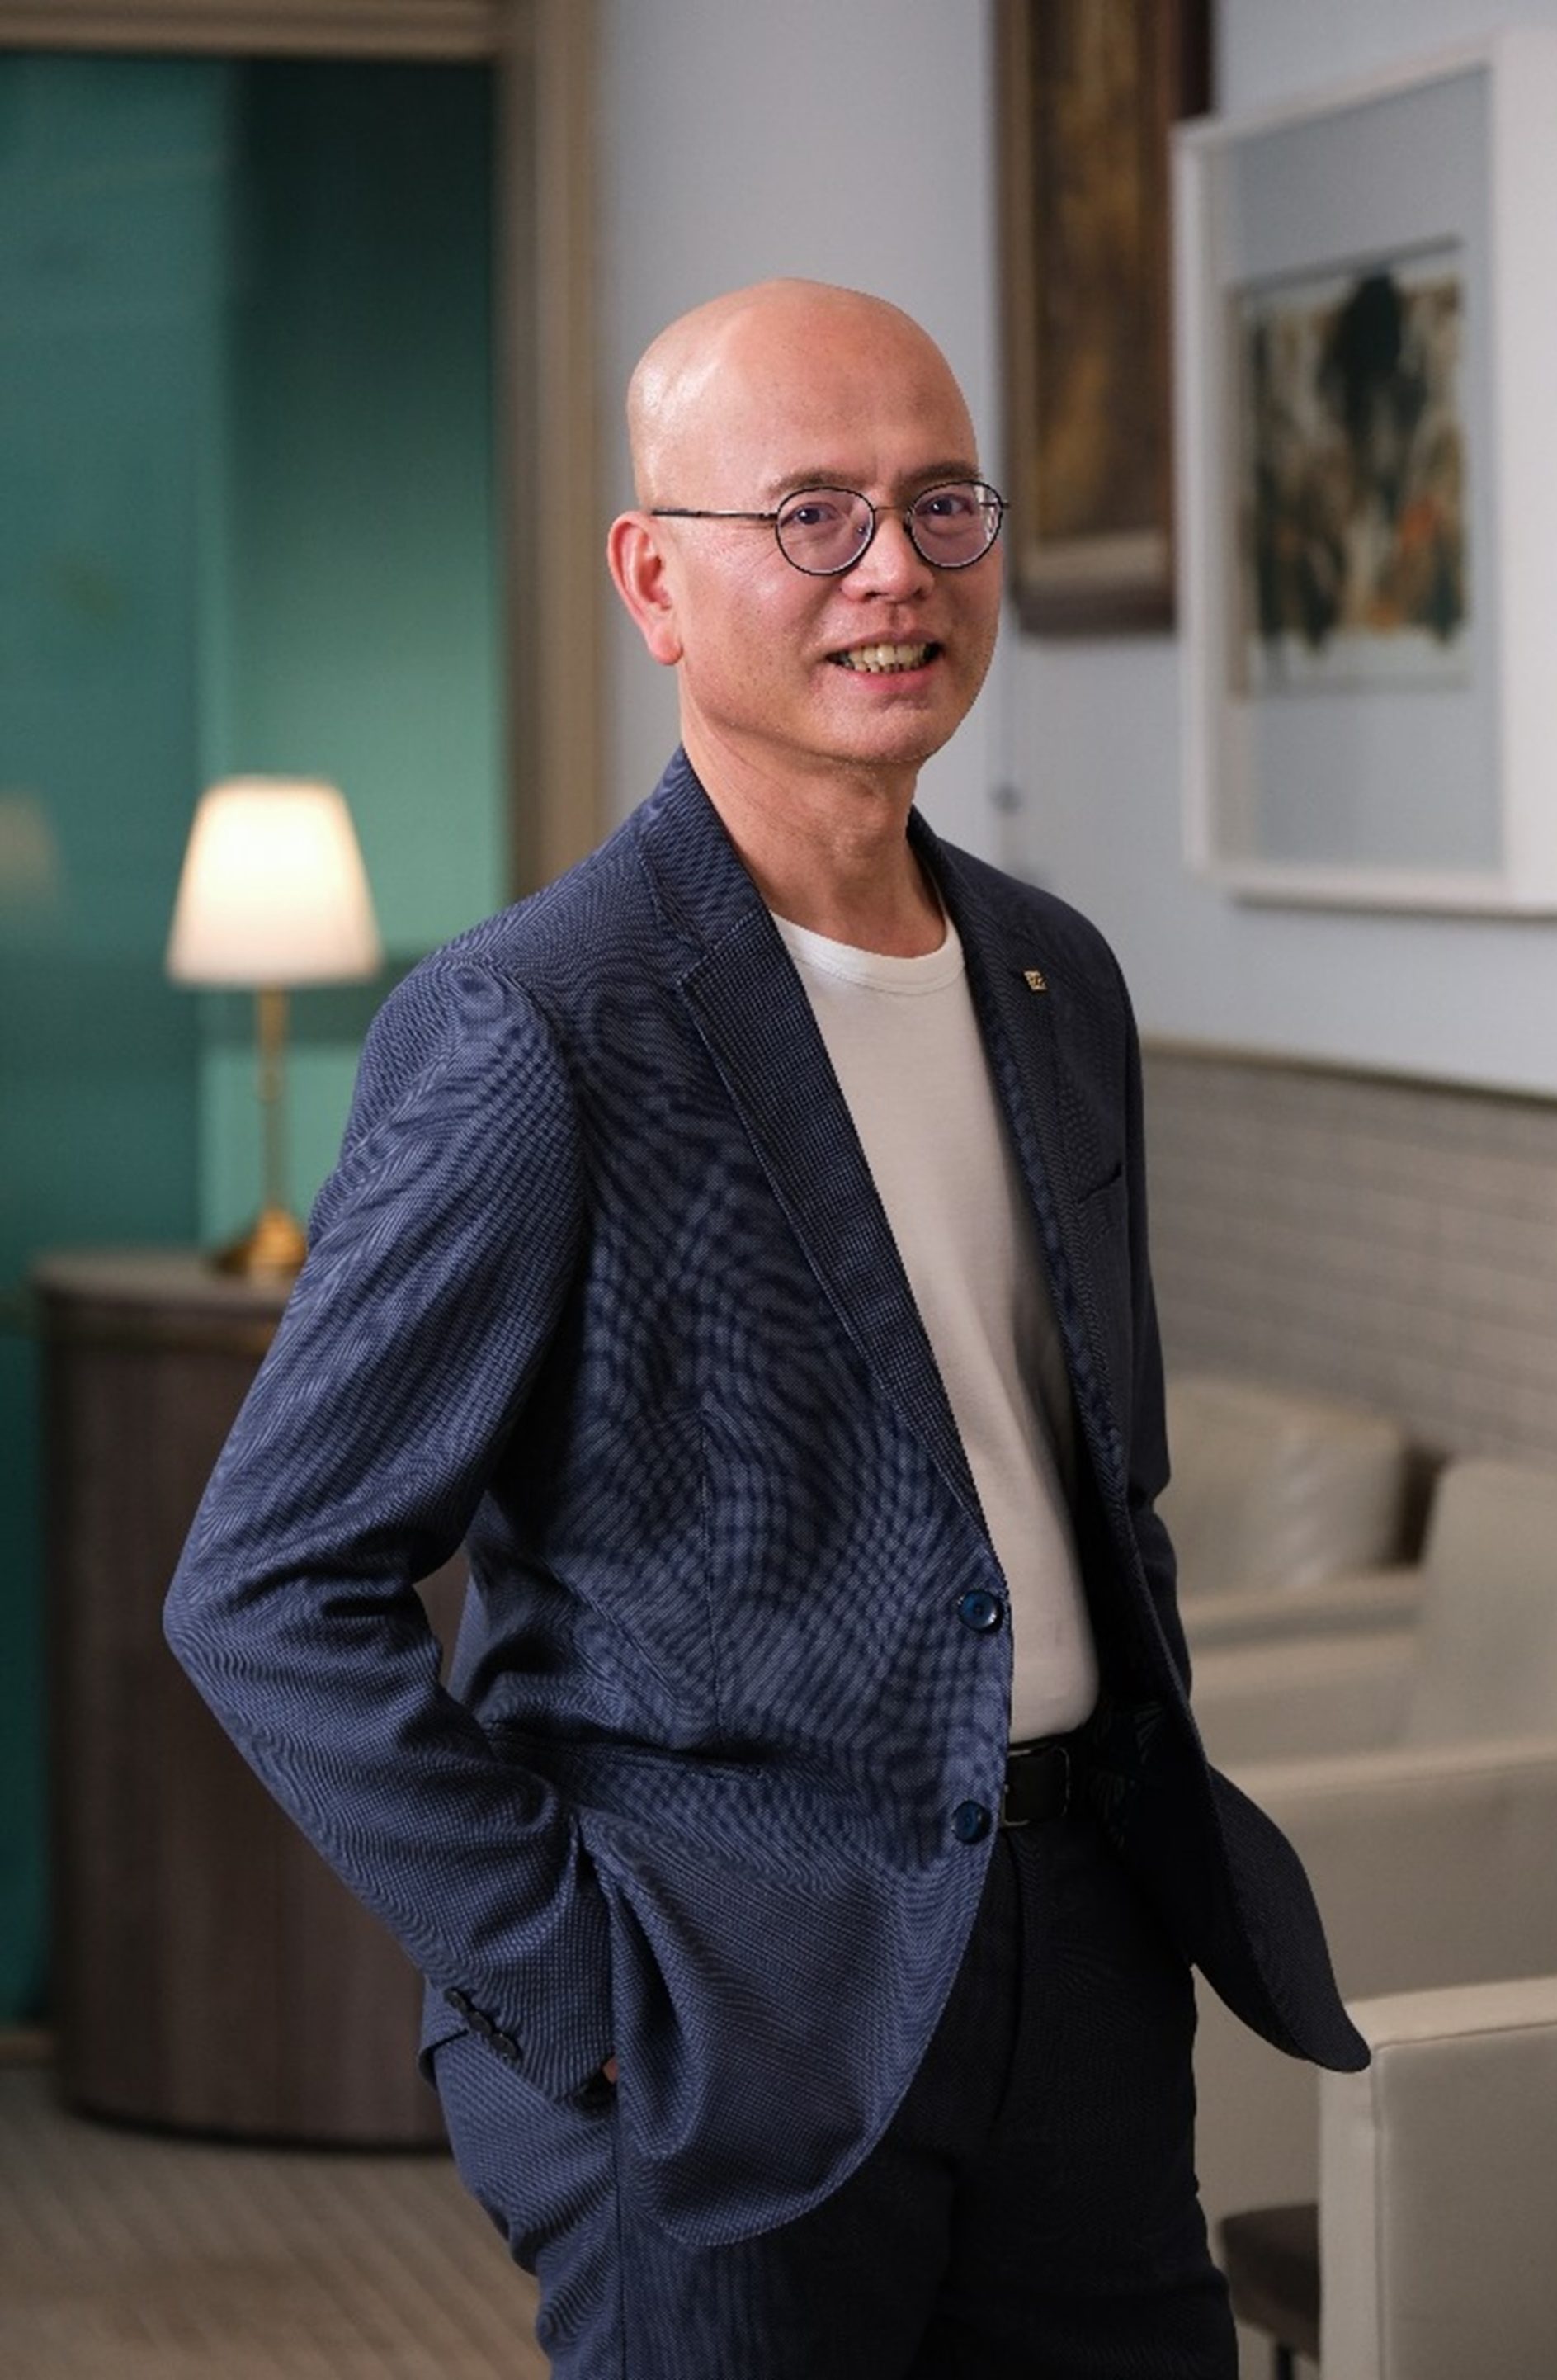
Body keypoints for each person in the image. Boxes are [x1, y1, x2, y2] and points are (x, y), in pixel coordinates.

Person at [165, 278, 1366, 2379]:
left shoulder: (1056, 976)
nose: (894, 568)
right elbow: (264, 1586)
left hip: (1076, 1960)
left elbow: (1093, 1484)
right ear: (653, 578)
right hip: (719, 2005)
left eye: (940, 502)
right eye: (812, 512)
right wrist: (587, 1998)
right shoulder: (536, 1022)